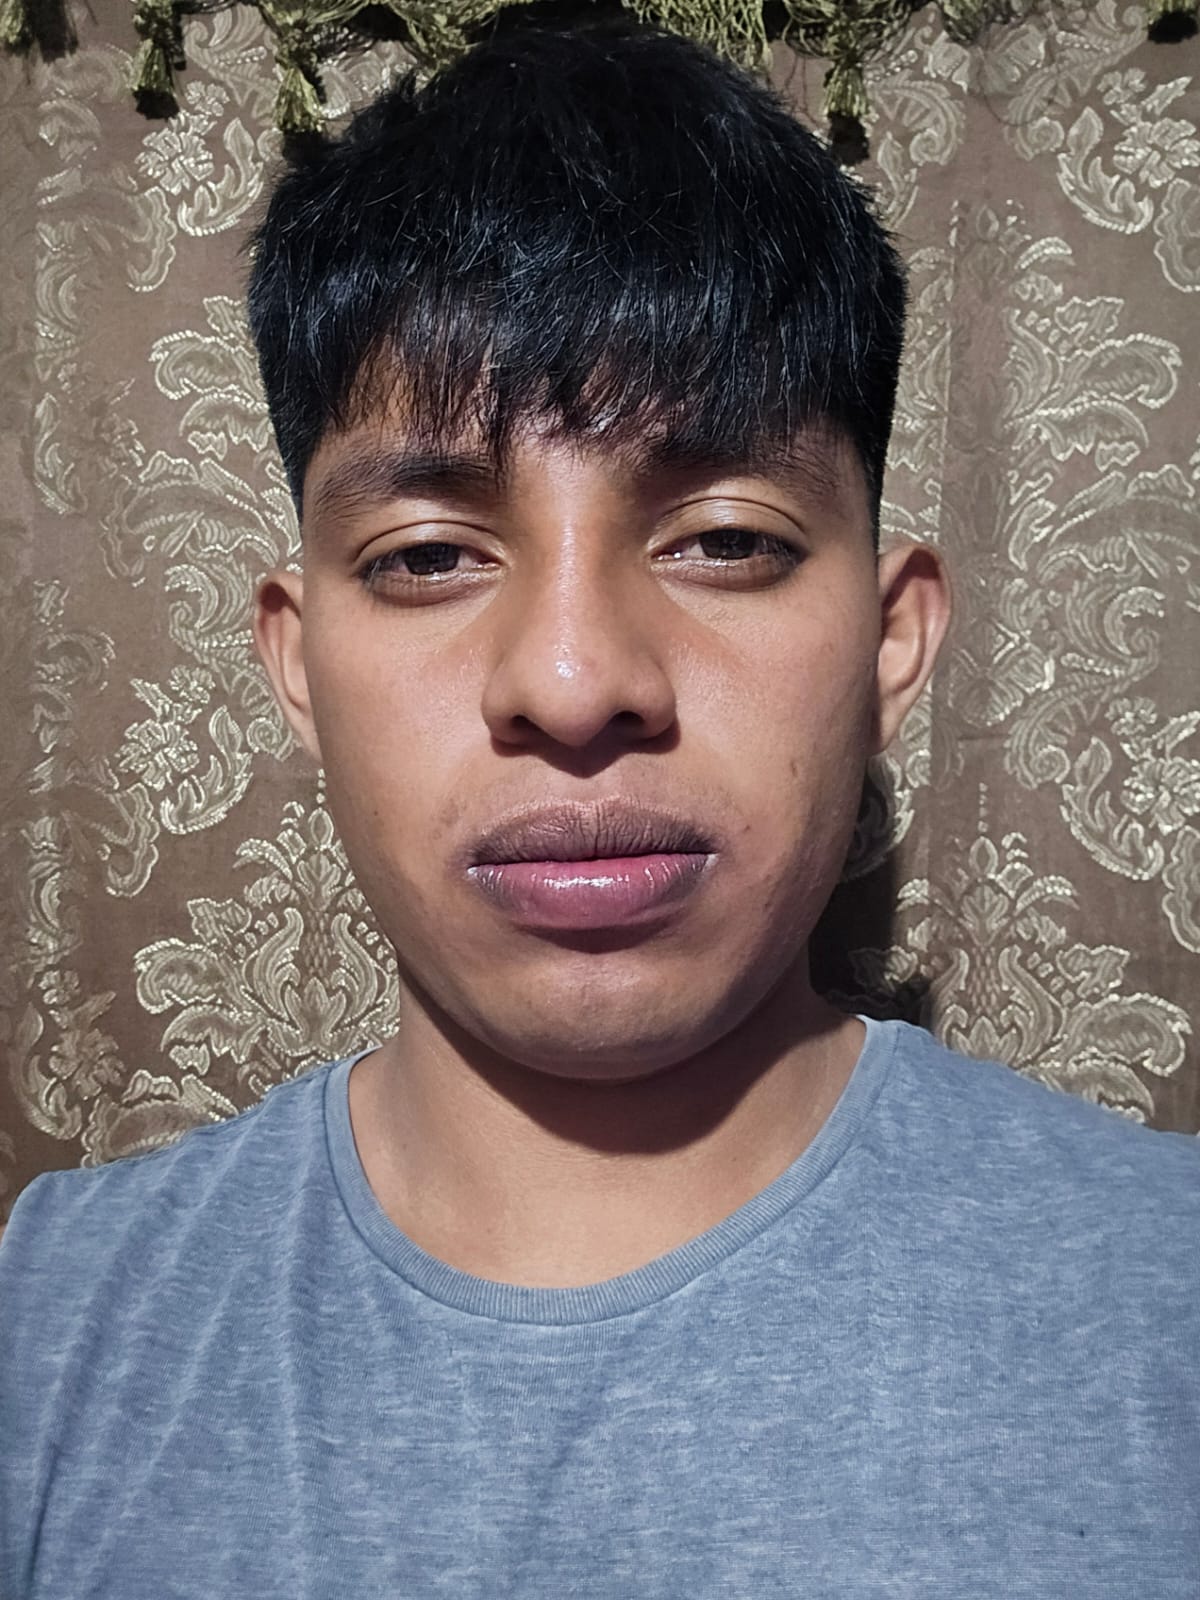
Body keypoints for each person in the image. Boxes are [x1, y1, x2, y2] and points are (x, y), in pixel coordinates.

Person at [2, 13, 1197, 1598]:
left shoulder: (1168, 1303)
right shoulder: (51, 1322)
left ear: (890, 645)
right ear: (295, 664)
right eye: (429, 556)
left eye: (727, 539)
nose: (572, 684)